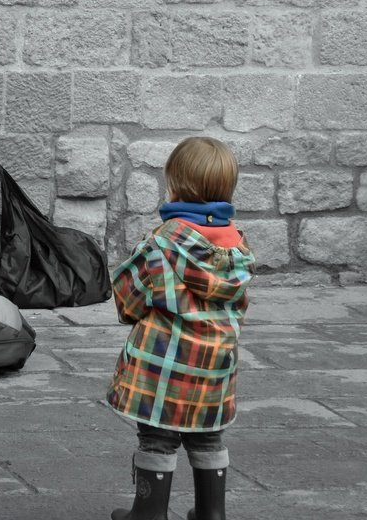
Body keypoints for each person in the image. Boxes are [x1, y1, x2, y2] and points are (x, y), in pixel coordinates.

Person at [105, 137, 256, 520]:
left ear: (176, 185)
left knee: (157, 437)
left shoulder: (161, 243)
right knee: (208, 436)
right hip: (214, 366)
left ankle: (149, 513)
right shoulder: (238, 248)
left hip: (163, 366)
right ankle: (212, 513)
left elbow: (128, 297)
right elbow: (238, 306)